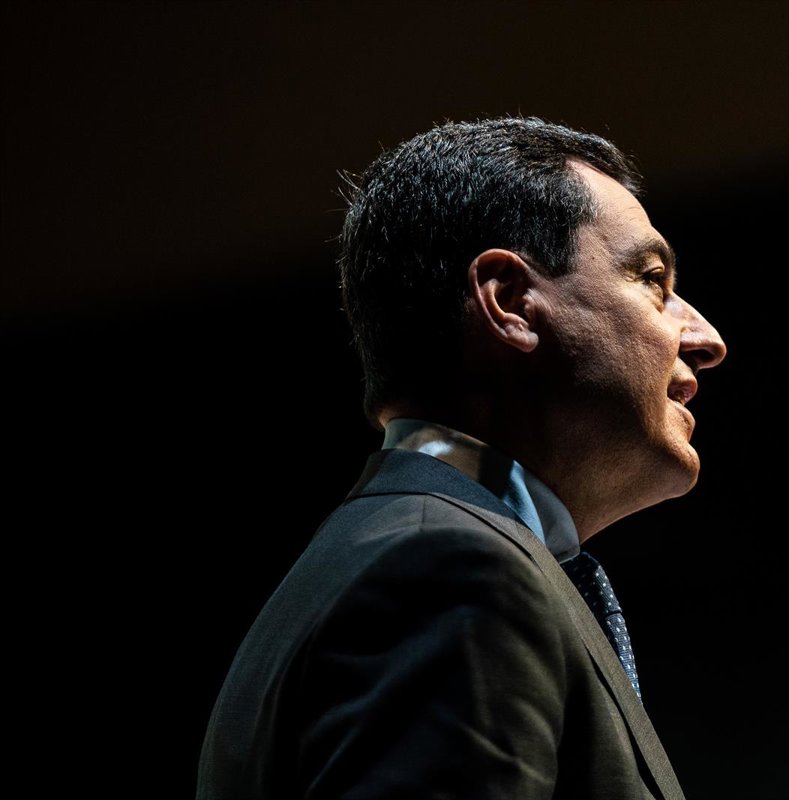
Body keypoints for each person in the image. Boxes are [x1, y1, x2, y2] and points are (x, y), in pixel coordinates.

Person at [197, 117, 726, 799]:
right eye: (652, 279)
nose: (706, 338)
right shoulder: (452, 570)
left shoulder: (410, 551)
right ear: (510, 304)